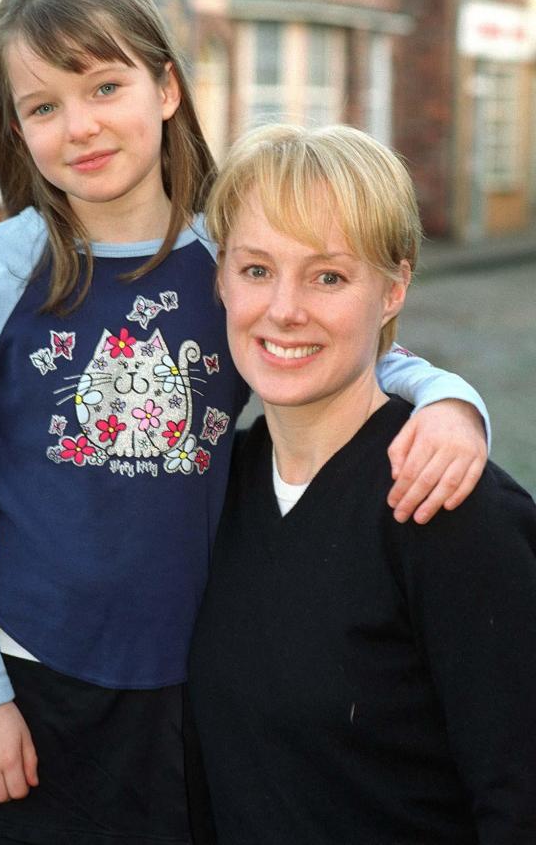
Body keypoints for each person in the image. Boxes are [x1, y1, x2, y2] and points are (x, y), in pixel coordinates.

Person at [0, 0, 488, 845]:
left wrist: (448, 398)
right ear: (15, 128)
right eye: (43, 106)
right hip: (30, 681)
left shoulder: (225, 256)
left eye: (104, 86)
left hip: (200, 679)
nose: (80, 126)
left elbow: (326, 345)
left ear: (166, 87)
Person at [188, 123, 536, 844]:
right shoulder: (213, 484)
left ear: (393, 288)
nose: (284, 308)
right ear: (221, 278)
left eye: (328, 276)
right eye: (256, 269)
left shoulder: (451, 511)